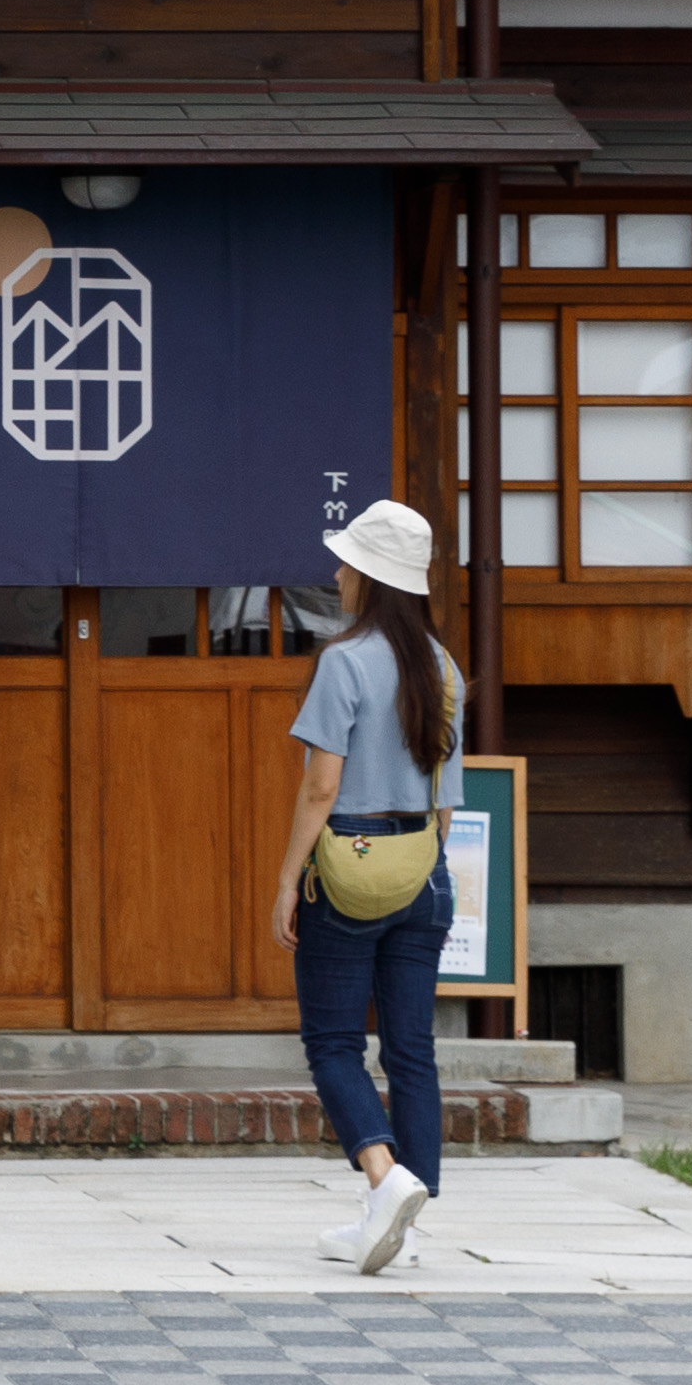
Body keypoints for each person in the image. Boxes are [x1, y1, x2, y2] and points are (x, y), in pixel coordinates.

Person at [273, 494, 468, 1275]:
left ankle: (384, 1182)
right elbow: (446, 801)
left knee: (332, 1043)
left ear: (368, 578)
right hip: (423, 871)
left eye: (346, 561)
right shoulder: (443, 667)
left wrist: (289, 879)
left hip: (347, 873)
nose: (335, 571)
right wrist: (421, 865)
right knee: (413, 1050)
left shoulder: (344, 661)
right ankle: (403, 1224)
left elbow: (321, 788)